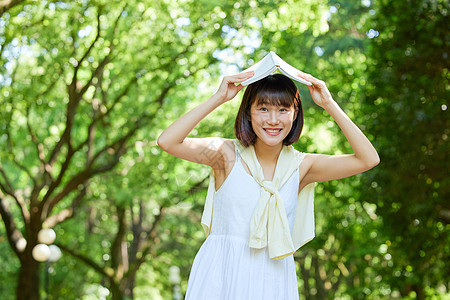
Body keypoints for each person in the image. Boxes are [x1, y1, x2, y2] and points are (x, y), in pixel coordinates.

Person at [157, 71, 379, 299]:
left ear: (295, 114)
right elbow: (167, 141)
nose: (273, 120)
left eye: (283, 110)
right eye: (263, 109)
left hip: (272, 280)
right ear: (248, 113)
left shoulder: (301, 167)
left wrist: (328, 103)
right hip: (221, 276)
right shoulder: (225, 155)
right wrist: (219, 98)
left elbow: (368, 159)